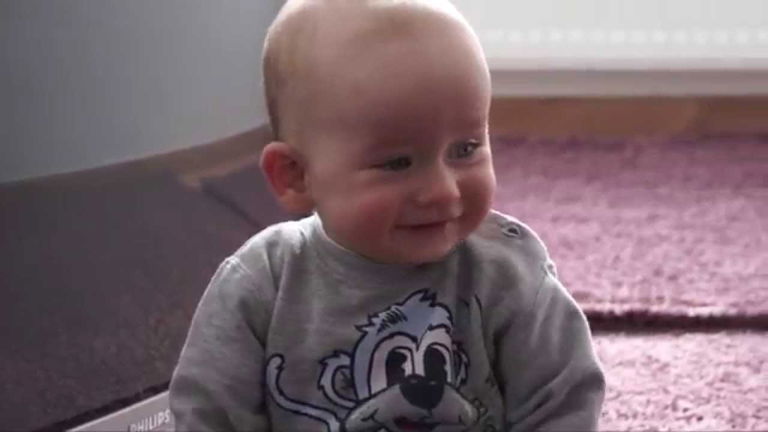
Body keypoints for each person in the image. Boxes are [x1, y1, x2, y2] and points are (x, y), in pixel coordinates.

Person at [169, 0, 606, 431]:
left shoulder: (508, 273)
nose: (443, 190)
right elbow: (211, 410)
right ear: (296, 176)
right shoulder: (262, 283)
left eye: (466, 149)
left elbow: (562, 399)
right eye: (397, 163)